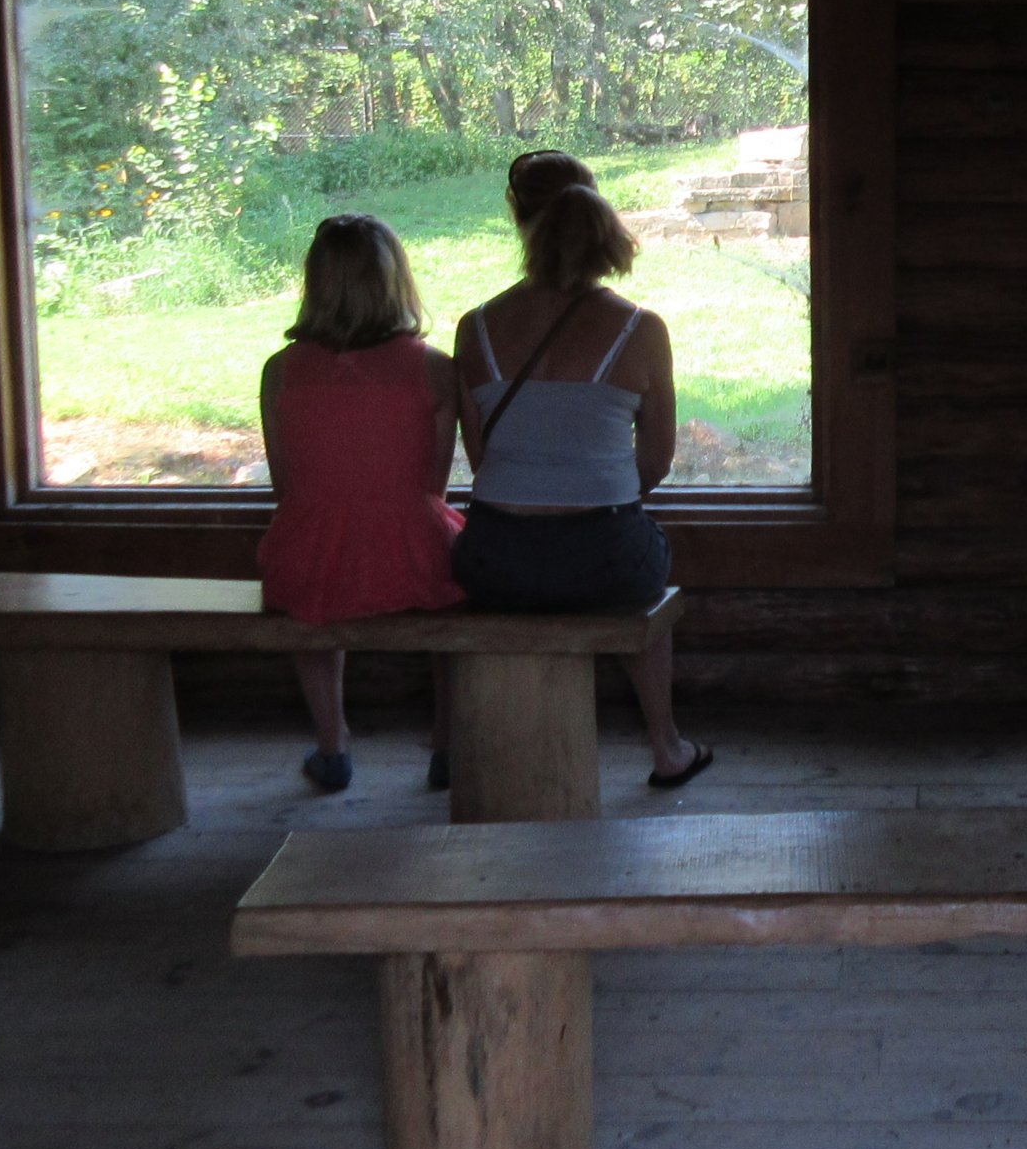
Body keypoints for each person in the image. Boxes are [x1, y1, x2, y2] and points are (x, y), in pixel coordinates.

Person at [450, 151, 708, 789]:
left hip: (495, 557)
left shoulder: (475, 327)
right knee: (645, 576)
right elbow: (656, 462)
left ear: (516, 213)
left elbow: (483, 460)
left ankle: (459, 750)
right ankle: (666, 746)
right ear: (601, 217)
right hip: (605, 556)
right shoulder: (641, 329)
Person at [255, 214, 466, 792]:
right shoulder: (433, 369)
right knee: (454, 577)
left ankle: (333, 743)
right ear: (396, 280)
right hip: (411, 549)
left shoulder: (280, 372)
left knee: (307, 587)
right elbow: (432, 484)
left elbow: (287, 488)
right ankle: (447, 743)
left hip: (309, 548)